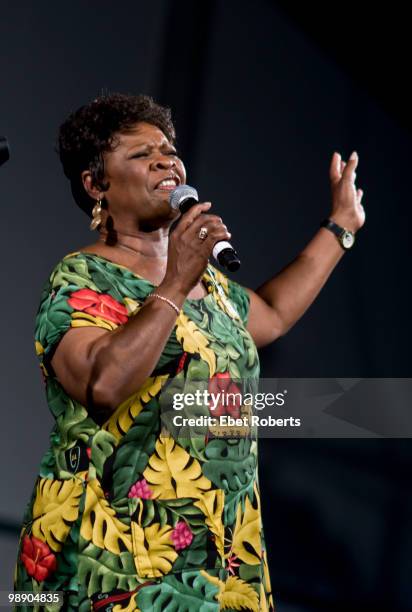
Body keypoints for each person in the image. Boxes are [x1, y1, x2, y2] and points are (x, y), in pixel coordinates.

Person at [13, 93, 364, 611]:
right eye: (140, 154)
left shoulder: (208, 283)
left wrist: (341, 226)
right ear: (95, 185)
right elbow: (101, 385)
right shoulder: (82, 279)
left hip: (221, 556)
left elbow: (271, 311)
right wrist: (175, 282)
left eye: (169, 149)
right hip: (118, 558)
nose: (165, 160)